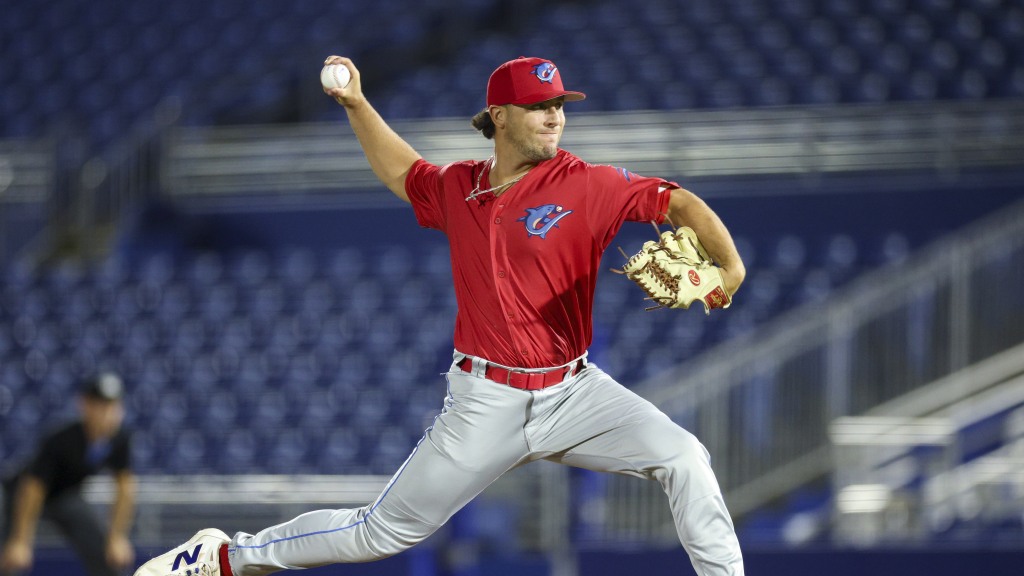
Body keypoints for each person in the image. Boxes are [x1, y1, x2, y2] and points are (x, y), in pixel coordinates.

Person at [134, 55, 747, 576]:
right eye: (539, 105)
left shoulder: (589, 183)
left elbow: (677, 201)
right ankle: (223, 559)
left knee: (684, 456)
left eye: (560, 104)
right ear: (500, 117)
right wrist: (356, 104)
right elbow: (405, 173)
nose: (555, 116)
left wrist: (730, 267)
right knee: (380, 533)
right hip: (486, 399)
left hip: (575, 392)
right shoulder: (460, 188)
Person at [1, 372, 136, 576]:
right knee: (9, 554)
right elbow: (33, 489)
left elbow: (125, 487)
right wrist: (21, 541)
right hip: (19, 495)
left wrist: (117, 537)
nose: (108, 413)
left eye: (113, 406)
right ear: (85, 405)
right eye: (101, 405)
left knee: (105, 553)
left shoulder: (119, 439)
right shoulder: (61, 439)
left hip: (65, 496)